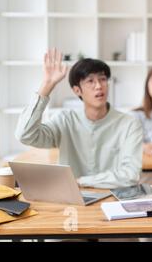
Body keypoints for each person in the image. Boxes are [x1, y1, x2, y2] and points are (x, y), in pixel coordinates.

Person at [15, 49, 143, 188]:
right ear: (77, 90)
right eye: (90, 81)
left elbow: (131, 175)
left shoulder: (129, 124)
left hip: (113, 198)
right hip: (72, 200)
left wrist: (81, 182)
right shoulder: (65, 121)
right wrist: (46, 86)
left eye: (102, 79)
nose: (99, 86)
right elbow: (25, 135)